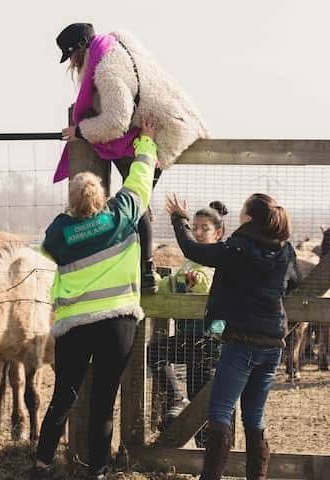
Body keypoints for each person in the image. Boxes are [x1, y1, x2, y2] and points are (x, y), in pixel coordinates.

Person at [30, 116, 157, 480]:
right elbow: (140, 180)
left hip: (74, 326)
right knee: (103, 402)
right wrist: (145, 141)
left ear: (71, 202)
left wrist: (75, 225)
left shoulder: (60, 230)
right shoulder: (120, 215)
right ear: (103, 197)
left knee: (63, 397)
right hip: (118, 323)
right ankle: (98, 473)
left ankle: (41, 465)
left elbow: (46, 249)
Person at [53, 22, 209, 293]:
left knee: (136, 202)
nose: (73, 67)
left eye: (72, 59)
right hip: (168, 122)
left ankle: (144, 270)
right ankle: (141, 269)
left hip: (161, 133)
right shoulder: (115, 45)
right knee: (138, 202)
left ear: (78, 52)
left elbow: (116, 121)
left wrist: (80, 130)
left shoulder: (106, 71)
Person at [166, 193, 295, 480]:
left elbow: (193, 250)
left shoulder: (238, 248)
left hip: (242, 343)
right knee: (254, 417)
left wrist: (179, 219)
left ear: (248, 218)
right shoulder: (285, 251)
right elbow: (294, 282)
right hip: (273, 344)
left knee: (220, 412)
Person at [148, 201, 227, 442]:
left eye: (205, 228)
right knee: (155, 353)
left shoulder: (219, 259)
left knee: (205, 402)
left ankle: (209, 456)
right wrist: (149, 276)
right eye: (195, 228)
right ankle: (176, 398)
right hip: (188, 338)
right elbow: (167, 286)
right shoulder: (190, 263)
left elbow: (207, 281)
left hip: (210, 341)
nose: (199, 232)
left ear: (218, 233)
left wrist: (196, 280)